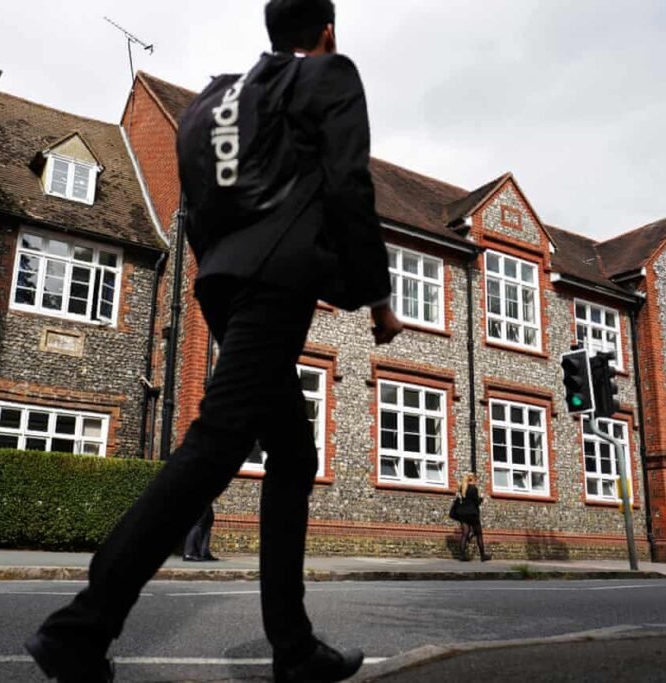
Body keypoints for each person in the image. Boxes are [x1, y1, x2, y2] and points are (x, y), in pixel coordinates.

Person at [24, 1, 402, 681]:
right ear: (326, 31)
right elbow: (349, 183)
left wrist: (222, 270)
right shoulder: (328, 74)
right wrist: (374, 294)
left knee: (292, 451)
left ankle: (293, 648)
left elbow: (196, 200)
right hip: (272, 283)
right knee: (217, 443)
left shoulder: (216, 97)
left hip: (224, 282)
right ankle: (81, 626)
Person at [455, 473, 492, 562]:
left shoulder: (462, 488)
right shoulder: (473, 489)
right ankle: (483, 556)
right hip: (472, 514)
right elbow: (476, 503)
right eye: (476, 479)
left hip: (463, 514)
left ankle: (462, 555)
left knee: (465, 534)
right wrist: (481, 498)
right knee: (479, 534)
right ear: (474, 479)